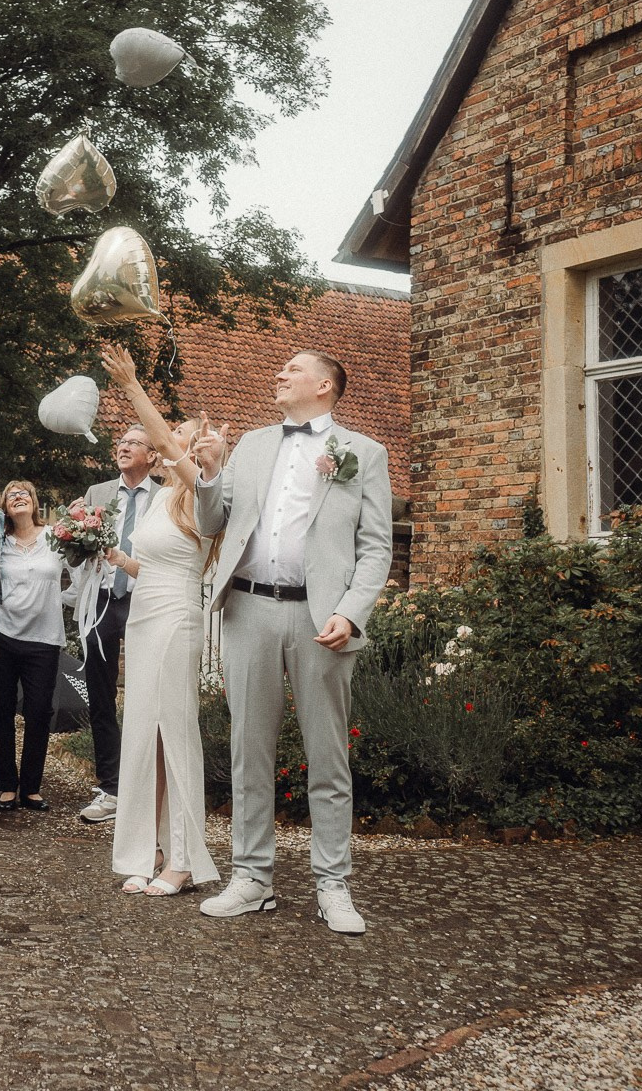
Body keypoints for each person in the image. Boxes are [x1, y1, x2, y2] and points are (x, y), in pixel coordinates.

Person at [191, 350, 393, 935]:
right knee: (248, 751)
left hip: (321, 617)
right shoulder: (252, 445)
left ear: (325, 385)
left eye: (293, 369)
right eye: (279, 368)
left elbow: (376, 547)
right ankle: (251, 878)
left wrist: (351, 612)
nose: (279, 374)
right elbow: (212, 522)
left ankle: (333, 884)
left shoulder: (364, 453)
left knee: (327, 756)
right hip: (248, 609)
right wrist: (209, 473)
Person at [99, 345, 222, 896]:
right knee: (143, 733)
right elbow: (148, 564)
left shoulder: (204, 491)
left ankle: (184, 858)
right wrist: (115, 557)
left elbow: (167, 446)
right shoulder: (161, 497)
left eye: (179, 435)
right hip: (145, 615)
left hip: (176, 617)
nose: (169, 438)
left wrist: (131, 384)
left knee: (175, 732)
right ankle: (144, 847)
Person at [73, 424, 164, 825]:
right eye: (121, 442)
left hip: (147, 599)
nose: (123, 447)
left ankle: (147, 786)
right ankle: (110, 787)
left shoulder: (166, 497)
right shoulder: (97, 493)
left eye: (133, 443)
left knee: (151, 692)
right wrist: (73, 529)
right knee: (100, 693)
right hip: (103, 599)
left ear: (152, 456)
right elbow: (77, 553)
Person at [0, 479, 67, 813]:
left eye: (25, 494)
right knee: (2, 712)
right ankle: (7, 786)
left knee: (39, 712)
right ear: (5, 507)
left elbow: (82, 574)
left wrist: (58, 601)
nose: (19, 498)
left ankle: (31, 788)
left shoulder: (55, 538)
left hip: (44, 640)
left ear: (34, 503)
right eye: (12, 495)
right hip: (2, 636)